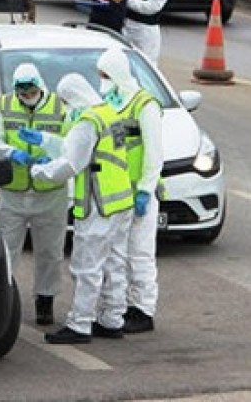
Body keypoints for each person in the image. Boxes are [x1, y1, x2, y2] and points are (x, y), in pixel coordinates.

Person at [18, 69, 131, 345]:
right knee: (114, 263)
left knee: (87, 266)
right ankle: (112, 319)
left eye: (65, 101)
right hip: (120, 201)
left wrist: (38, 172)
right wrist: (45, 141)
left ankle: (80, 324)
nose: (66, 107)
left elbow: (71, 163)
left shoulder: (87, 122)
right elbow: (76, 148)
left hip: (97, 202)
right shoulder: (109, 113)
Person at [0, 63, 69, 326]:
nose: (25, 96)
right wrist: (12, 153)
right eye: (21, 92)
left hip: (50, 191)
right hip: (14, 190)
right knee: (8, 250)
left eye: (30, 91)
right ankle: (2, 298)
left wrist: (50, 151)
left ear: (40, 86)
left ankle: (45, 300)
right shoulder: (5, 104)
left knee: (50, 252)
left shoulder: (59, 107)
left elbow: (71, 145)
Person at [93, 47, 164, 334]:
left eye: (105, 75)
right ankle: (118, 308)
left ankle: (144, 309)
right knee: (117, 255)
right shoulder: (113, 103)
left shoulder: (145, 105)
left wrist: (146, 189)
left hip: (140, 193)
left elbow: (154, 154)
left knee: (140, 253)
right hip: (118, 194)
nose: (102, 81)